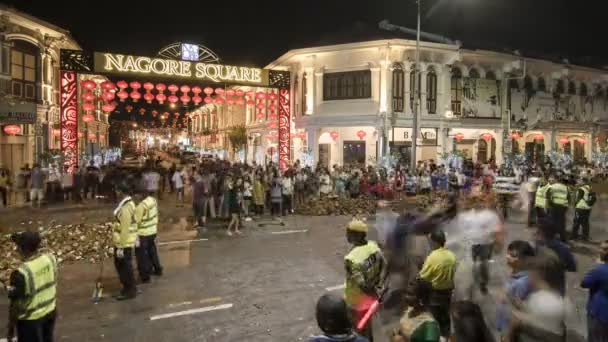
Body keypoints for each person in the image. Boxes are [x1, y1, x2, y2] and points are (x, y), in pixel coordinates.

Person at [6, 231, 58, 342]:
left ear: (22, 249)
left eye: (18, 246)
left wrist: (11, 328)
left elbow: (15, 305)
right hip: (50, 311)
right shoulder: (50, 259)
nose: (16, 249)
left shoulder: (21, 273)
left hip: (30, 321)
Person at [507, 256, 570, 342]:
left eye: (529, 273)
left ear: (538, 275)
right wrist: (522, 305)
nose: (527, 276)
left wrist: (508, 335)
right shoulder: (562, 299)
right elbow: (542, 316)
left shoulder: (538, 298)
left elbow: (520, 320)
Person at [344, 218, 386, 341]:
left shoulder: (351, 259)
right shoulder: (373, 246)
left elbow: (363, 286)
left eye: (349, 232)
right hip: (371, 299)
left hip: (357, 302)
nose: (346, 234)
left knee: (358, 332)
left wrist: (372, 289)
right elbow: (384, 265)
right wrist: (378, 287)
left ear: (357, 235)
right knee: (367, 328)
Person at [418, 230, 456, 339]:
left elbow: (422, 277)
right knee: (446, 317)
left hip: (435, 294)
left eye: (431, 241)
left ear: (435, 242)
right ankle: (447, 337)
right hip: (448, 293)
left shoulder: (433, 257)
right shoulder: (451, 255)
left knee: (435, 319)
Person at [496, 240, 536, 337]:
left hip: (511, 332)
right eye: (508, 253)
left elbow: (518, 313)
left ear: (525, 260)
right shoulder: (516, 274)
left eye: (513, 256)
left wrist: (508, 335)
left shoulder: (522, 283)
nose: (507, 257)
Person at [112, 181, 138, 300]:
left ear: (122, 192)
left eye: (117, 190)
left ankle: (129, 290)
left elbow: (125, 228)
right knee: (124, 266)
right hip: (126, 241)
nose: (116, 192)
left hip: (124, 242)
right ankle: (129, 287)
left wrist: (121, 247)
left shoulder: (126, 207)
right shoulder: (129, 203)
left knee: (124, 267)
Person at [580, 240, 608, 342]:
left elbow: (584, 283)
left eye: (604, 249)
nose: (601, 251)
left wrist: (597, 266)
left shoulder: (600, 270)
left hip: (599, 313)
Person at [134, 188, 163, 283]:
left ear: (141, 194)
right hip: (152, 231)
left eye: (136, 195)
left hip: (143, 233)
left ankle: (145, 276)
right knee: (152, 251)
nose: (135, 197)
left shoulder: (141, 206)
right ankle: (158, 269)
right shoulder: (153, 200)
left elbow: (135, 222)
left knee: (141, 256)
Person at [546, 174, 569, 242]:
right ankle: (563, 238)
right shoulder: (566, 187)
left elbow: (548, 196)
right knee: (561, 222)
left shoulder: (552, 187)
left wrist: (550, 204)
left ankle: (551, 237)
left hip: (553, 206)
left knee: (552, 221)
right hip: (562, 207)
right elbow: (568, 198)